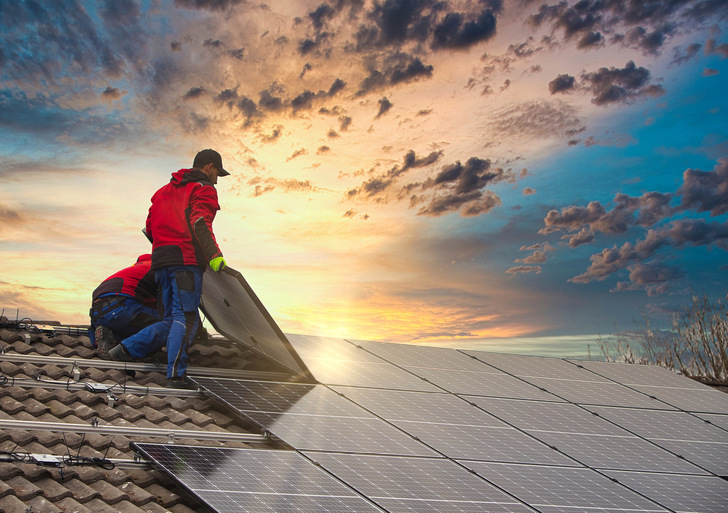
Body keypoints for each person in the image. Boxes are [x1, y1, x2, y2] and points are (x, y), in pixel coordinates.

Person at [102, 149, 229, 389]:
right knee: (186, 319)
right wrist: (214, 255)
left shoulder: (163, 191)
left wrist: (165, 243)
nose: (217, 179)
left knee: (170, 319)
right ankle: (175, 375)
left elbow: (150, 227)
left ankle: (125, 351)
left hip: (161, 262)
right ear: (209, 167)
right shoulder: (204, 189)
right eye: (217, 174)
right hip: (186, 263)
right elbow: (200, 221)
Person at [90, 254, 162, 355]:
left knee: (137, 323)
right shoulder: (159, 269)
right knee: (170, 324)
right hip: (121, 308)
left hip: (97, 316)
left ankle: (111, 336)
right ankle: (124, 351)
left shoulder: (132, 270)